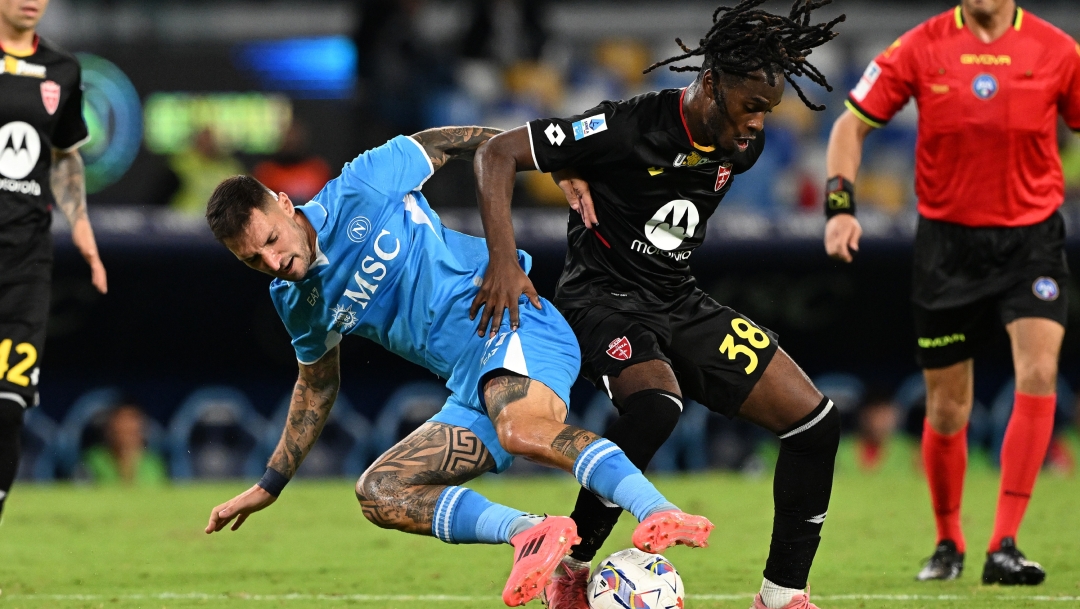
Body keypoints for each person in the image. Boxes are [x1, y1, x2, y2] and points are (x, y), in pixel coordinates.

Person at [201, 126, 714, 607]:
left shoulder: (363, 183)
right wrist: (270, 484)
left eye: (270, 241)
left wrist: (557, 167)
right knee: (380, 493)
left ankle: (658, 512)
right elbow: (316, 386)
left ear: (285, 205)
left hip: (517, 325)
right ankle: (529, 533)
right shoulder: (295, 301)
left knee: (520, 429)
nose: (272, 263)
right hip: (473, 385)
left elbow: (470, 142)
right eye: (251, 261)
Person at [472, 2, 844, 608]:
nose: (757, 124)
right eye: (750, 106)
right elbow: (497, 154)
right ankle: (572, 568)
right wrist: (506, 261)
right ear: (710, 84)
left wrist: (571, 166)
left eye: (766, 110)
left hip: (676, 298)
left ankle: (783, 595)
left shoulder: (740, 146)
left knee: (815, 422)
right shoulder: (627, 125)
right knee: (656, 406)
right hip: (601, 299)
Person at [823, 0, 1080, 586]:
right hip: (946, 247)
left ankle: (1005, 544)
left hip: (1031, 240)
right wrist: (839, 207)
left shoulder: (1059, 50)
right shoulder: (918, 46)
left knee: (1039, 372)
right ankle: (948, 542)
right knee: (947, 406)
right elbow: (849, 125)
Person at [0, 0, 107, 519]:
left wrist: (82, 229)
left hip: (25, 262)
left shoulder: (63, 70)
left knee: (9, 402)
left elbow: (64, 156)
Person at [82, 402, 167, 486]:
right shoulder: (94, 459)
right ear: (110, 430)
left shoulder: (153, 463)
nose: (126, 437)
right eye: (121, 431)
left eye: (131, 432)